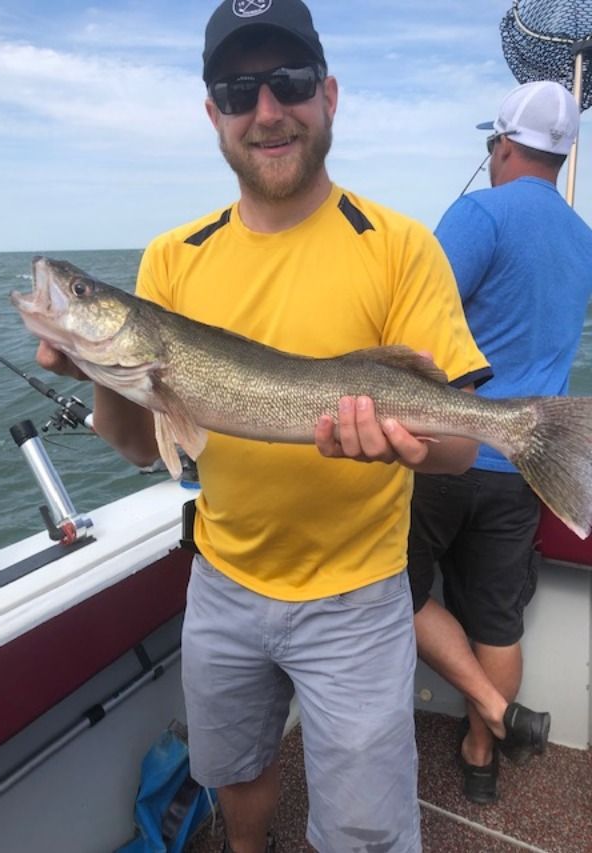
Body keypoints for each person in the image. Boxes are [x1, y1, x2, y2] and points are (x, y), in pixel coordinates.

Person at [36, 2, 493, 850]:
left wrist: (418, 442)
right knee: (236, 773)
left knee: (363, 829)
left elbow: (461, 443)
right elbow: (145, 445)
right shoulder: (174, 257)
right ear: (213, 112)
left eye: (286, 82)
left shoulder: (397, 245)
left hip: (357, 597)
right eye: (239, 89)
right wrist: (98, 366)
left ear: (328, 95)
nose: (267, 110)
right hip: (222, 584)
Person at [408, 80, 592, 805]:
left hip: (448, 452)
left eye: (493, 143)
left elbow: (415, 326)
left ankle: (489, 706)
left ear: (505, 146)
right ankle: (482, 754)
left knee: (394, 591)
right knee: (496, 615)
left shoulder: (476, 213)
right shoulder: (584, 239)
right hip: (527, 462)